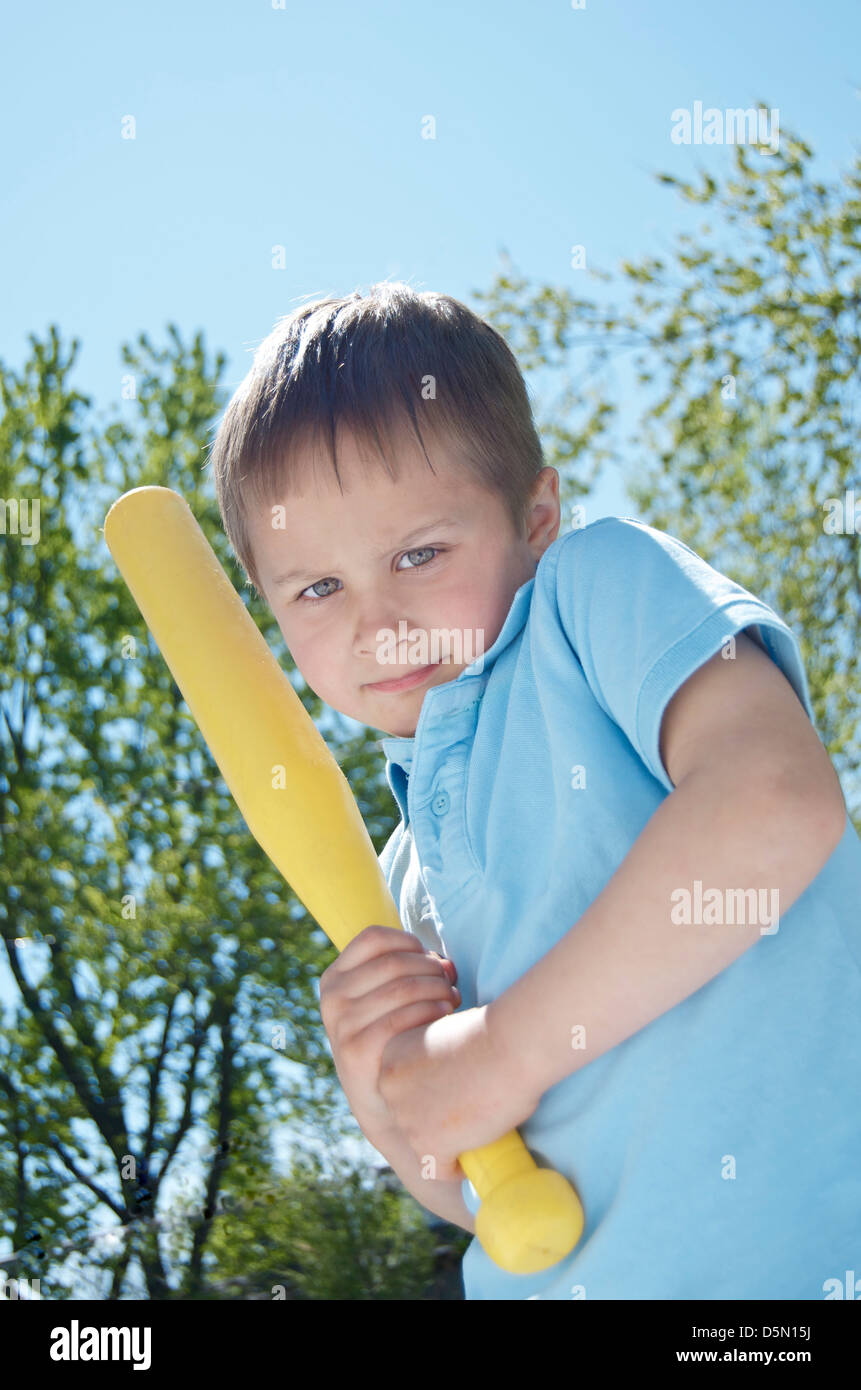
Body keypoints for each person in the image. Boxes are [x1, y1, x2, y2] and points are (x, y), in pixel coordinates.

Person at [208, 281, 861, 1300]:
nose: (379, 627)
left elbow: (776, 801)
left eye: (419, 553)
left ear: (537, 519)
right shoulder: (397, 869)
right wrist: (395, 1101)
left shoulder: (594, 593)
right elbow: (489, 1192)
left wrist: (502, 1050)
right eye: (319, 589)